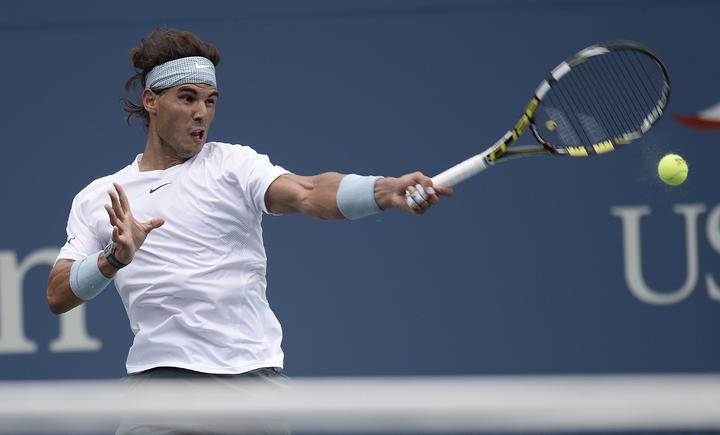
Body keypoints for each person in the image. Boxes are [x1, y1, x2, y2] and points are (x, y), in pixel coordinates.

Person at [46, 28, 451, 384]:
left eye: (211, 101)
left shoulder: (233, 164)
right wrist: (113, 258)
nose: (201, 113)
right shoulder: (100, 196)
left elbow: (308, 192)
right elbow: (57, 295)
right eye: (187, 98)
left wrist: (384, 191)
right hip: (158, 382)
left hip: (248, 378)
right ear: (151, 100)